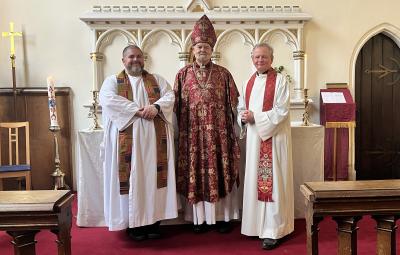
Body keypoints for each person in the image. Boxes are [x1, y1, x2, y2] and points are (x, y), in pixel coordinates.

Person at [99, 45, 178, 241]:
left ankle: (154, 222)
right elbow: (108, 100)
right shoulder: (112, 82)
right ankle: (133, 225)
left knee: (153, 179)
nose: (136, 60)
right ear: (123, 60)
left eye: (139, 57)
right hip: (128, 141)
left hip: (154, 141)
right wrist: (137, 110)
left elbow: (170, 96)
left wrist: (156, 106)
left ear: (144, 59)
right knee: (133, 179)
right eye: (131, 57)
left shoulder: (157, 80)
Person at [174, 15, 241, 233]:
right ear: (193, 50)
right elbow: (172, 105)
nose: (202, 49)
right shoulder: (182, 75)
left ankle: (223, 218)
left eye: (206, 46)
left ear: (212, 49)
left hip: (219, 136)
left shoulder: (223, 73)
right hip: (192, 136)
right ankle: (198, 220)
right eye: (198, 46)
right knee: (196, 174)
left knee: (220, 172)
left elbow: (236, 104)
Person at [238, 43, 294, 250]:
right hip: (255, 139)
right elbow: (241, 107)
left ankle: (274, 230)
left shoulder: (280, 81)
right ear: (252, 59)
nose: (259, 61)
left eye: (264, 57)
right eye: (256, 57)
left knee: (275, 182)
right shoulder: (248, 82)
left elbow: (281, 111)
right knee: (255, 180)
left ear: (272, 58)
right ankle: (255, 226)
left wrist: (257, 117)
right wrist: (242, 117)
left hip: (274, 139)